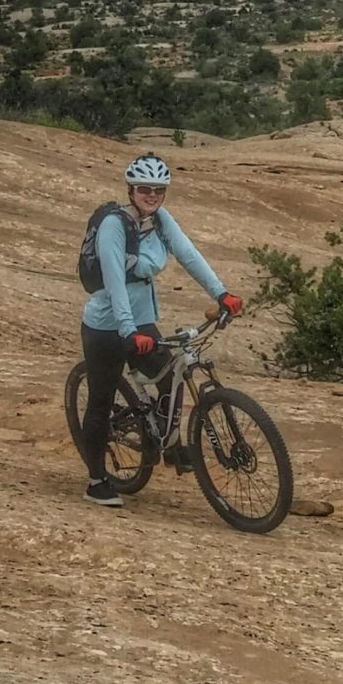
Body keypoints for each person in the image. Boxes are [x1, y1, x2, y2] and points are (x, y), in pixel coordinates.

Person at [77, 152, 242, 507]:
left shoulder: (161, 221)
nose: (152, 195)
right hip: (107, 326)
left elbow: (189, 254)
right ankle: (96, 480)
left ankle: (167, 441)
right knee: (100, 400)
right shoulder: (113, 226)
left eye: (159, 190)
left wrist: (222, 293)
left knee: (170, 378)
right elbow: (115, 281)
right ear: (131, 189)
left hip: (140, 321)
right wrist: (127, 330)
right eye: (144, 189)